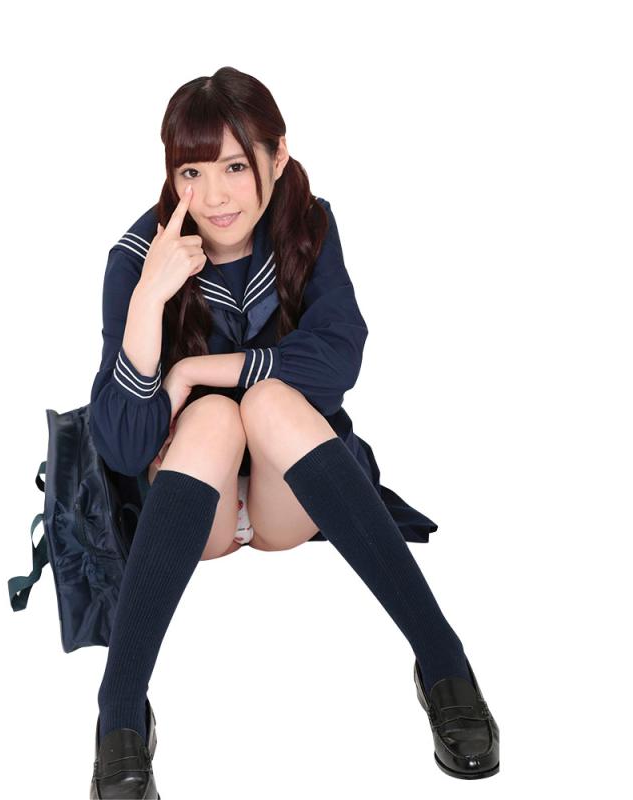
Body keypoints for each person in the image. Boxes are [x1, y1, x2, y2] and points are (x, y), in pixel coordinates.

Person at [88, 66, 499, 798]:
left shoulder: (307, 227)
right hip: (194, 512)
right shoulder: (137, 258)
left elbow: (337, 358)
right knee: (215, 415)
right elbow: (122, 447)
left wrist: (195, 371)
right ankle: (120, 712)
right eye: (191, 172)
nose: (214, 196)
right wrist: (149, 301)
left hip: (290, 502)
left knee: (268, 400)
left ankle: (444, 663)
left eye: (235, 167)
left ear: (277, 157)